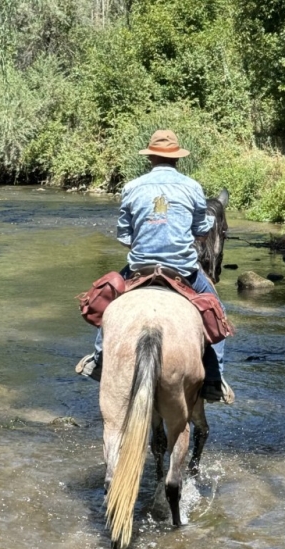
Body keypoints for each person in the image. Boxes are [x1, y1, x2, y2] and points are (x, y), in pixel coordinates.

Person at [76, 129, 234, 404]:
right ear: (177, 159)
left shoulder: (132, 187)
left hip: (140, 270)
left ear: (150, 158)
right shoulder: (193, 187)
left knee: (110, 304)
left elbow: (124, 236)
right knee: (216, 310)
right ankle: (213, 378)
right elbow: (200, 229)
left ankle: (99, 361)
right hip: (183, 270)